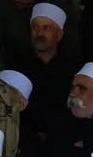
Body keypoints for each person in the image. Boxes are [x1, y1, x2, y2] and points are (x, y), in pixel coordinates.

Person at [10, 3, 79, 142]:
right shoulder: (17, 67)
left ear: (59, 35)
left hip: (63, 141)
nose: (39, 33)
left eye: (47, 28)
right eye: (36, 27)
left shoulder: (73, 69)